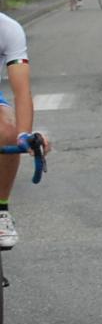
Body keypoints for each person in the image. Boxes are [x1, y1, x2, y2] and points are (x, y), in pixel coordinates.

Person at [0, 12, 50, 250]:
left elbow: (21, 91)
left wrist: (23, 135)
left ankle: (1, 210)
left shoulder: (8, 29)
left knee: (8, 130)